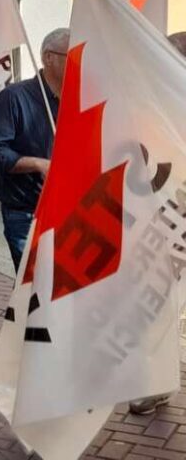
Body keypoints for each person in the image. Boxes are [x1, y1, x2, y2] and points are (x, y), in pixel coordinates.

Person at [128, 30, 186, 417]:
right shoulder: (151, 108)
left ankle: (155, 384)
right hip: (164, 220)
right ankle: (156, 383)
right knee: (158, 303)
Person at [0, 28, 68, 270]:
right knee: (34, 286)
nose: (78, 63)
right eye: (71, 56)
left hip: (69, 209)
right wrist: (37, 164)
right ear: (49, 57)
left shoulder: (78, 99)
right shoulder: (13, 98)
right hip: (28, 213)